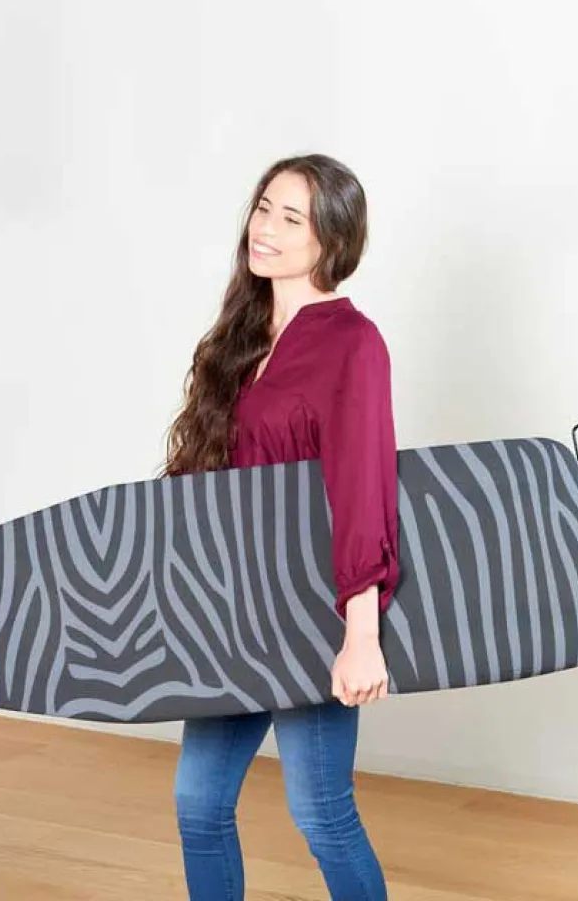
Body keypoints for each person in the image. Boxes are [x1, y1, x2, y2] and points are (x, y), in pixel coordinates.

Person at [161, 153, 399, 900]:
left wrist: (361, 634)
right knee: (198, 803)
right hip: (233, 611)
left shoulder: (353, 343)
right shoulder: (240, 334)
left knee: (320, 812)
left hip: (310, 612)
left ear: (332, 240)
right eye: (264, 207)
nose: (264, 228)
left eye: (291, 218)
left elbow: (362, 486)